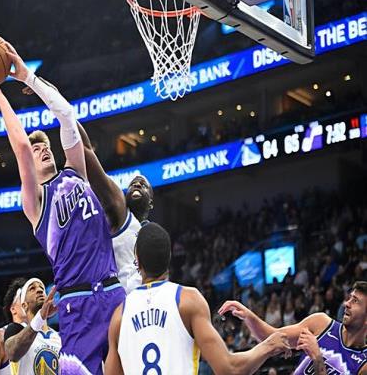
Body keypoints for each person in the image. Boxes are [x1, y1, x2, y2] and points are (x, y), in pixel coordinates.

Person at [0, 44, 125, 375]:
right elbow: (21, 147)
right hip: (77, 304)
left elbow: (67, 115)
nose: (42, 149)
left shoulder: (76, 172)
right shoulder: (36, 201)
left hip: (114, 291)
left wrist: (28, 77)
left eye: (46, 146)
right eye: (37, 148)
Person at [105, 222, 292, 375]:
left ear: (137, 260)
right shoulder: (187, 300)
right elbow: (229, 369)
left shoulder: (119, 316)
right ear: (169, 257)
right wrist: (267, 346)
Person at [218, 281, 367, 374]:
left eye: (355, 301)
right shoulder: (321, 324)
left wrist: (317, 359)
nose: (347, 303)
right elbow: (273, 338)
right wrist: (249, 317)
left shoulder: (364, 364)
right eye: (349, 298)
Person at [76, 121, 154, 293]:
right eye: (132, 184)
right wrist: (66, 116)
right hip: (116, 300)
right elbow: (86, 151)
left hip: (145, 302)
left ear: (151, 203)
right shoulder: (120, 214)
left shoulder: (153, 235)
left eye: (143, 185)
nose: (137, 185)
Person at [4, 278, 61, 375]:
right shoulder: (15, 329)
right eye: (32, 289)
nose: (39, 290)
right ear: (24, 305)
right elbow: (12, 353)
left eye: (42, 288)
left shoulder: (59, 336)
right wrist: (40, 318)